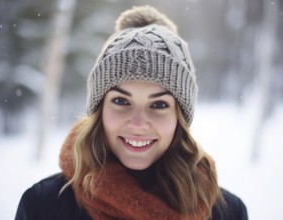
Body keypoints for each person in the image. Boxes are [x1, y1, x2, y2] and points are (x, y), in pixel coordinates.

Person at [15, 5, 248, 220]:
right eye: (120, 100)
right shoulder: (43, 207)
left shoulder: (226, 212)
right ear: (99, 110)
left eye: (158, 105)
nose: (138, 123)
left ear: (180, 117)